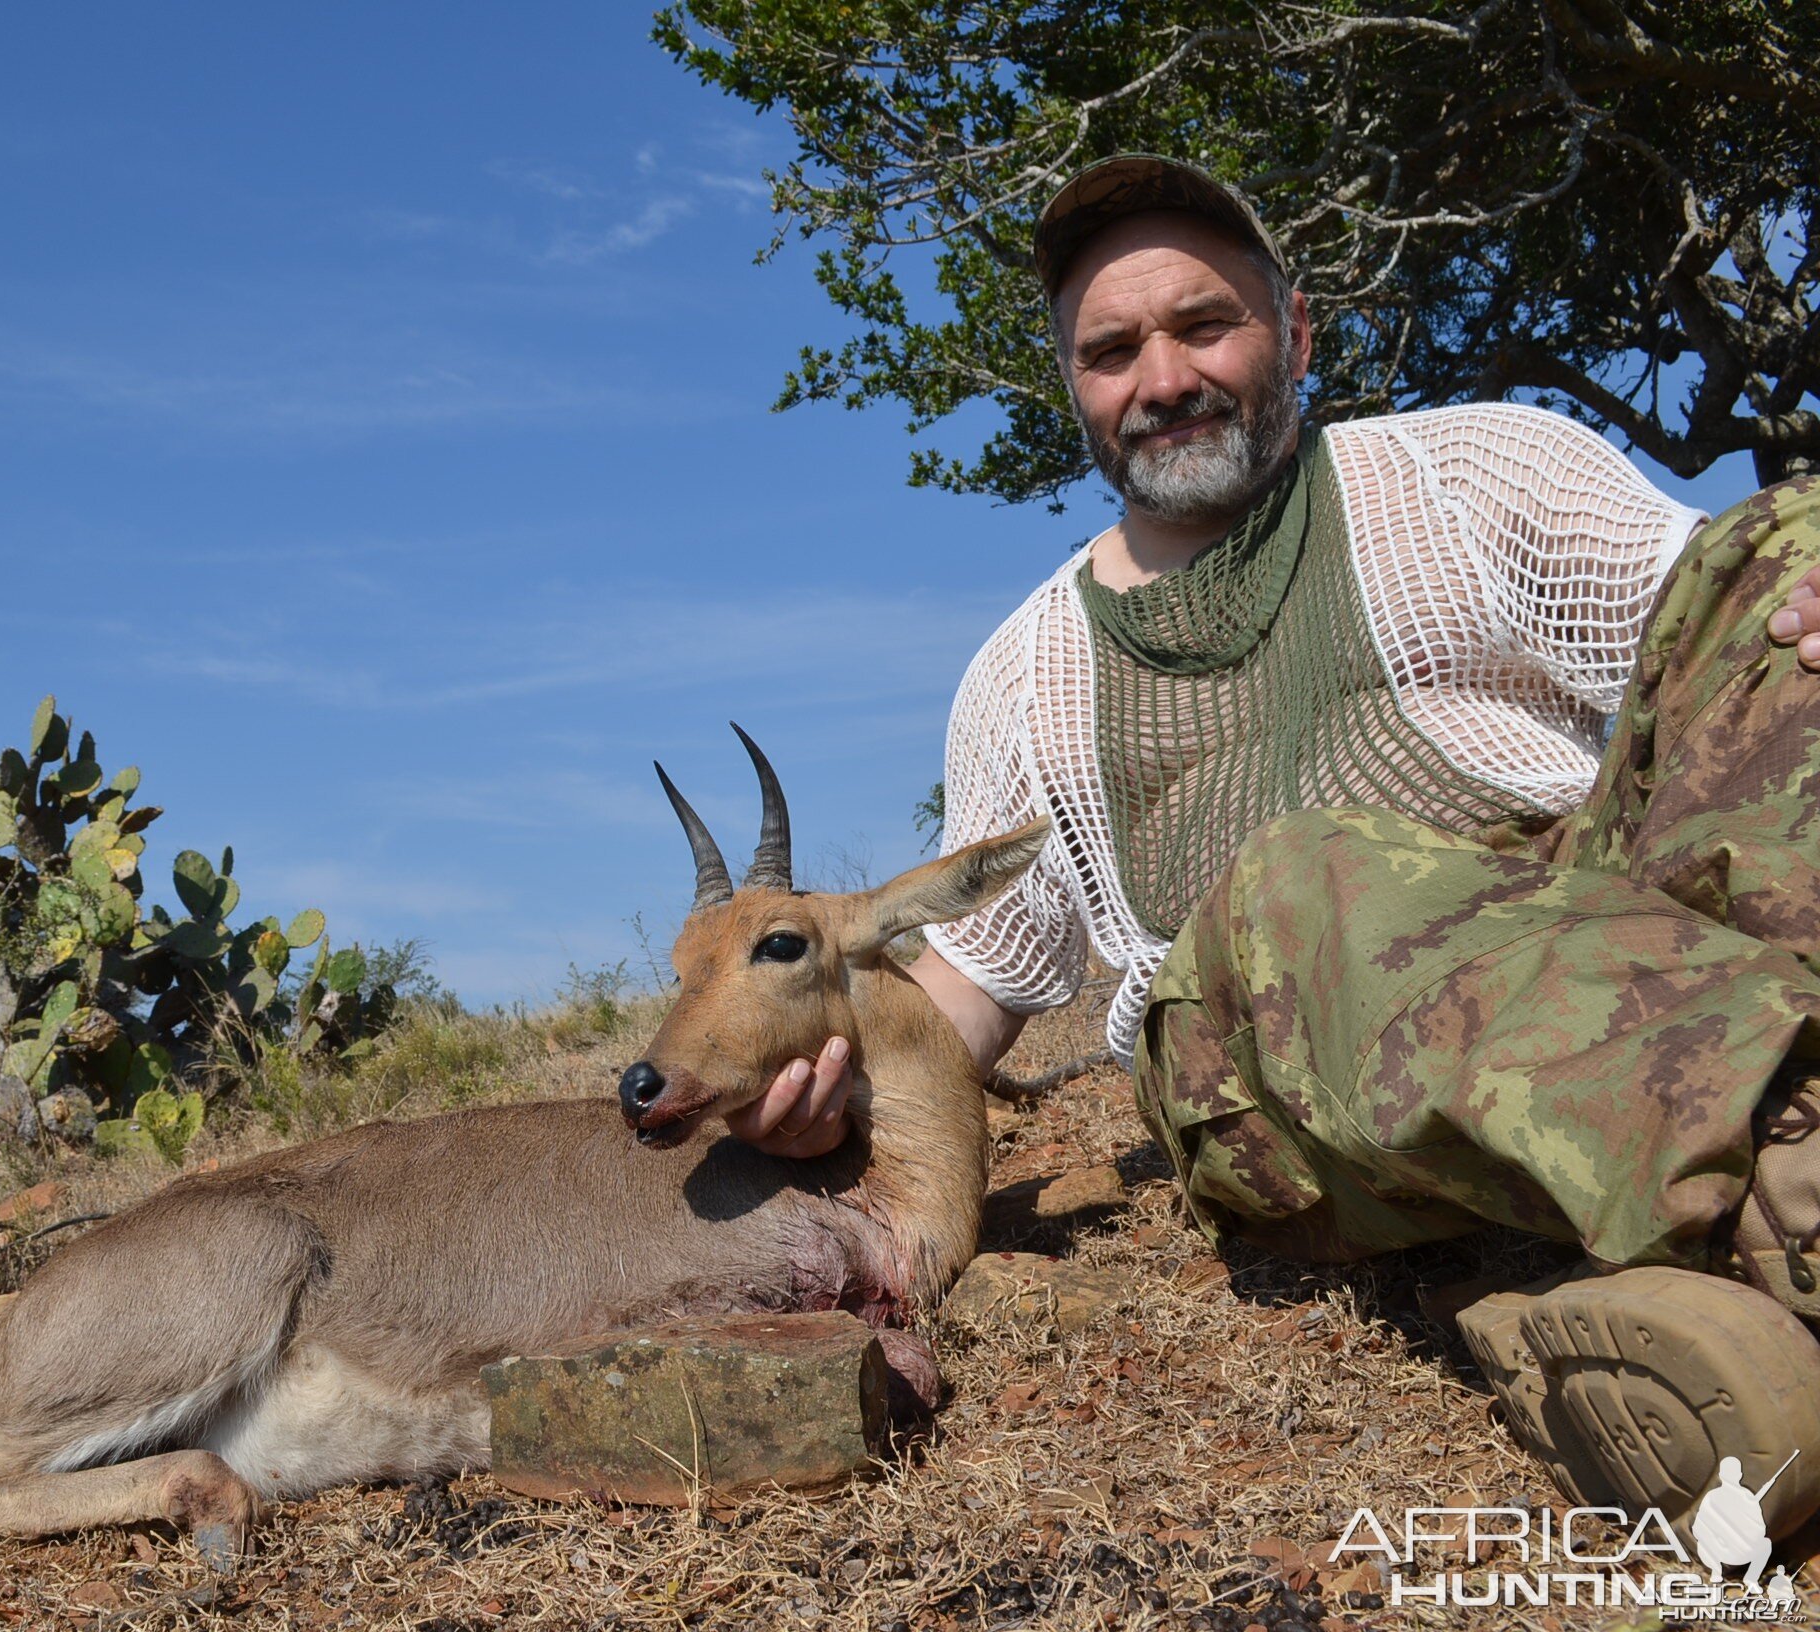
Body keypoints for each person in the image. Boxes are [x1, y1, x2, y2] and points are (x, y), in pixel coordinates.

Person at [725, 153, 1820, 1531]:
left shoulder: (1474, 473)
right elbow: (965, 986)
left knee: (1788, 540)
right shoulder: (1022, 676)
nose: (1162, 377)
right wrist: (820, 1071)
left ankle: (1725, 1256)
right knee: (1303, 872)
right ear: (1075, 391)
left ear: (1295, 331)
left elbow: (1720, 614)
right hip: (1274, 1053)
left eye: (1203, 324)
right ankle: (1790, 1187)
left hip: (1604, 939)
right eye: (1112, 350)